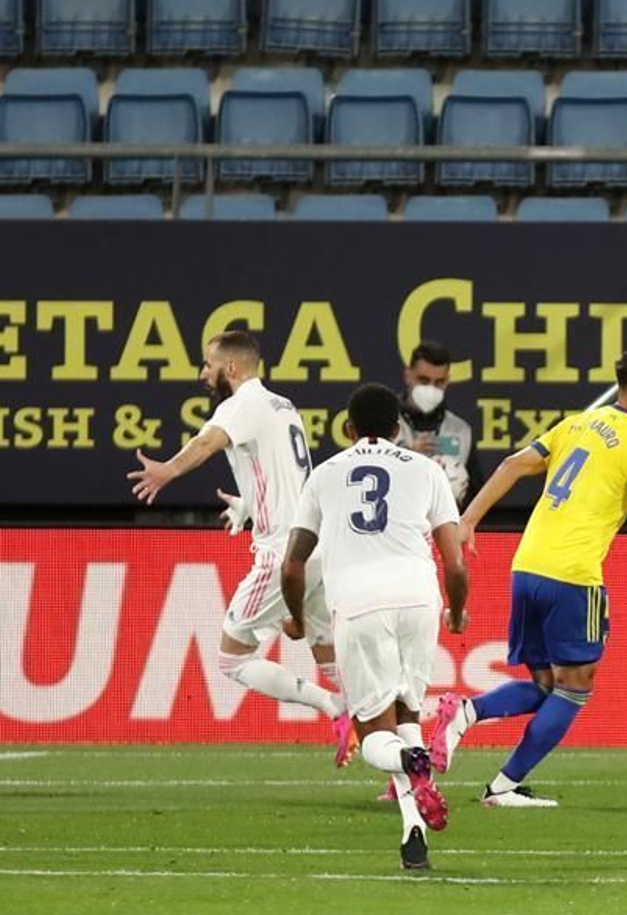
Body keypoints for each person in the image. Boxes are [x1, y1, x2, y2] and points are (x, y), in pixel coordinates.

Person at [430, 343, 627, 807]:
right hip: (573, 575)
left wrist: (468, 521)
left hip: (527, 566)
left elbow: (512, 464)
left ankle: (470, 719)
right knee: (575, 687)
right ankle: (501, 780)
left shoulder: (577, 423)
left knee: (544, 686)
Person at [127, 330, 352, 763]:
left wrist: (167, 471)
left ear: (231, 368)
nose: (202, 373)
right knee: (328, 651)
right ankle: (389, 744)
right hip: (318, 546)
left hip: (282, 552)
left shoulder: (241, 405)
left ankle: (333, 708)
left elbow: (207, 442)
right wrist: (246, 505)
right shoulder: (283, 407)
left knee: (232, 660)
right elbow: (282, 472)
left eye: (208, 364)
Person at [282, 384, 469, 870]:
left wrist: (299, 620)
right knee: (408, 717)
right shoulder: (427, 471)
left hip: (361, 604)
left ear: (348, 430)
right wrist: (457, 610)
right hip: (418, 597)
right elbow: (455, 563)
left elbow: (292, 566)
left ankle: (410, 763)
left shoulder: (325, 475)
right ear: (397, 430)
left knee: (374, 739)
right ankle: (413, 831)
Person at [396, 340, 481, 508]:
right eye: (423, 380)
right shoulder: (384, 422)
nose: (431, 388)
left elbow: (475, 493)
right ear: (408, 375)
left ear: (447, 381)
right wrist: (408, 454)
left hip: (444, 527)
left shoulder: (460, 430)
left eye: (439, 382)